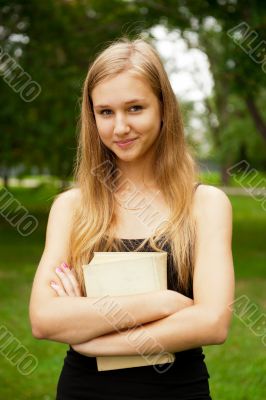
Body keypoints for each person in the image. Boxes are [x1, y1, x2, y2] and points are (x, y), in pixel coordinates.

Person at [29, 36, 235, 400]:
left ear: (163, 109)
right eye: (105, 112)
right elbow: (44, 318)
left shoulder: (206, 205)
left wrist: (92, 338)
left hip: (178, 391)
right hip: (84, 391)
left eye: (135, 108)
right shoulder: (72, 208)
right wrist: (162, 303)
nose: (119, 127)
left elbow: (213, 322)